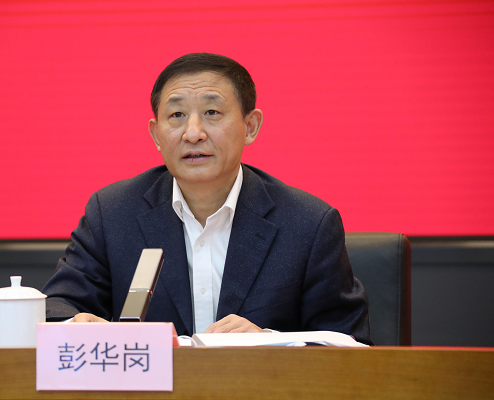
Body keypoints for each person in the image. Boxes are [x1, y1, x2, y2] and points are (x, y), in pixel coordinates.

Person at [43, 53, 372, 344]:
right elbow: (57, 307)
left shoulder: (307, 224)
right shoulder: (113, 213)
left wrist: (272, 343)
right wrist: (76, 325)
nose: (193, 133)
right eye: (176, 115)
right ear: (156, 134)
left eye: (212, 112)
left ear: (250, 126)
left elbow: (348, 343)